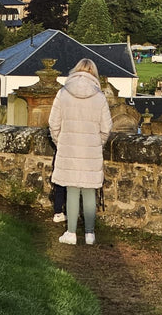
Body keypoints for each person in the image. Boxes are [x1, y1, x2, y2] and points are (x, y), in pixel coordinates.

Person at [48, 58, 112, 245]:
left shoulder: (63, 94)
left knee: (72, 189)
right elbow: (106, 127)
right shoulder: (99, 96)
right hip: (91, 149)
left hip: (68, 147)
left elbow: (53, 124)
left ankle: (71, 233)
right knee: (90, 190)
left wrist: (61, 142)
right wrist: (97, 143)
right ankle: (90, 233)